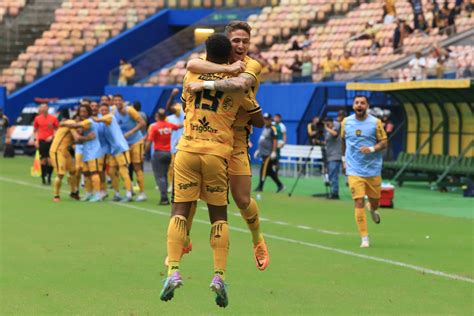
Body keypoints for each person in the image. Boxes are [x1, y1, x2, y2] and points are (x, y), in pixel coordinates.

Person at [160, 33, 263, 308]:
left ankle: (173, 270)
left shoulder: (191, 78)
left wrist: (204, 87)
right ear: (231, 52)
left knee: (180, 209)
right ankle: (218, 276)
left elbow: (187, 91)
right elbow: (260, 119)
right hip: (218, 153)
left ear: (207, 52)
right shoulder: (238, 88)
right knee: (219, 216)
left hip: (187, 150)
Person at [186, 21, 269, 272]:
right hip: (207, 136)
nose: (241, 46)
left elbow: (240, 84)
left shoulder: (252, 65)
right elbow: (191, 64)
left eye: (245, 41)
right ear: (227, 41)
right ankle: (182, 239)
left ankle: (258, 239)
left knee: (242, 198)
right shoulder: (212, 63)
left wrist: (206, 84)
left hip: (237, 139)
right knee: (191, 192)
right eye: (236, 41)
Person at [341, 95, 388, 248]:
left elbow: (384, 142)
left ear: (367, 106)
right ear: (353, 106)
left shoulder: (375, 122)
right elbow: (343, 141)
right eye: (357, 103)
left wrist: (372, 149)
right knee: (359, 200)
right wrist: (343, 159)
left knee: (374, 201)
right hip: (354, 170)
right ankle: (365, 238)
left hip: (373, 169)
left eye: (362, 103)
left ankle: (372, 209)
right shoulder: (346, 122)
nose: (359, 105)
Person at [94, 103, 134, 202]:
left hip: (121, 148)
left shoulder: (110, 117)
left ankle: (129, 193)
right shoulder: (102, 123)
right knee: (111, 172)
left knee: (123, 171)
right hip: (113, 150)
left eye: (105, 110)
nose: (104, 112)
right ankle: (117, 194)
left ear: (108, 111)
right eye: (102, 110)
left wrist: (90, 119)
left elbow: (98, 119)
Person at [64, 104, 104, 202]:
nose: (82, 114)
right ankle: (88, 193)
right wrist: (71, 143)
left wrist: (63, 123)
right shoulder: (84, 123)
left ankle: (98, 194)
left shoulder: (89, 121)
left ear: (89, 112)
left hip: (94, 151)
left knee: (94, 172)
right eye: (81, 112)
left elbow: (73, 126)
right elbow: (80, 139)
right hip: (87, 150)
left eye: (84, 112)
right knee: (86, 173)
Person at [113, 94, 147, 201]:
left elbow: (142, 123)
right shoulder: (114, 112)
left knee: (137, 166)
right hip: (124, 144)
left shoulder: (130, 110)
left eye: (119, 100)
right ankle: (129, 190)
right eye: (115, 100)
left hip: (136, 141)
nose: (118, 102)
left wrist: (130, 132)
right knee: (124, 167)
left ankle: (142, 193)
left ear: (122, 101)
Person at [145, 108, 181, 205]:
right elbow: (179, 126)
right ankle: (172, 195)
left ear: (157, 116)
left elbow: (149, 141)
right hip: (168, 153)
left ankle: (164, 198)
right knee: (165, 175)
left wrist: (144, 152)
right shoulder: (169, 125)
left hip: (158, 153)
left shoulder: (155, 127)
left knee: (159, 176)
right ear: (165, 117)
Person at [49, 117, 79, 202]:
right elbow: (77, 138)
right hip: (57, 151)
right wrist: (88, 138)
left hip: (65, 151)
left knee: (73, 171)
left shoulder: (69, 124)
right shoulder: (72, 123)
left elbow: (72, 141)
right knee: (60, 174)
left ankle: (73, 192)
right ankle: (56, 195)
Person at [254, 113, 284, 193]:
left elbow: (275, 140)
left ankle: (260, 187)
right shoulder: (265, 128)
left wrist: (274, 151)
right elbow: (262, 140)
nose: (265, 120)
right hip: (263, 153)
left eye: (267, 119)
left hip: (268, 154)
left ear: (270, 120)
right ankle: (280, 185)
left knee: (263, 170)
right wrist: (258, 150)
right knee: (269, 172)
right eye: (264, 119)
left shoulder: (273, 128)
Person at [33, 103, 59, 185]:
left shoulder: (53, 118)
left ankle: (49, 176)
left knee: (50, 160)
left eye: (45, 107)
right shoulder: (37, 118)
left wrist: (53, 136)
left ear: (48, 108)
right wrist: (35, 140)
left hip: (51, 141)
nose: (43, 109)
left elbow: (58, 129)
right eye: (41, 107)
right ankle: (43, 176)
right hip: (42, 141)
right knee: (43, 160)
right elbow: (35, 130)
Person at [165, 88, 185, 191]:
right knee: (172, 166)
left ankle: (189, 187)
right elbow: (168, 108)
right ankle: (171, 184)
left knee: (187, 167)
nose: (175, 107)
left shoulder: (187, 112)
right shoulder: (169, 118)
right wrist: (172, 96)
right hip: (174, 145)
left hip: (185, 144)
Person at [324, 118, 342, 199]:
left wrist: (327, 128)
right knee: (331, 175)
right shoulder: (328, 131)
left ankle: (335, 193)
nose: (327, 125)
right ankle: (333, 192)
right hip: (330, 155)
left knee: (333, 175)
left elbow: (335, 134)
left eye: (328, 124)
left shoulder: (336, 125)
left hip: (335, 155)